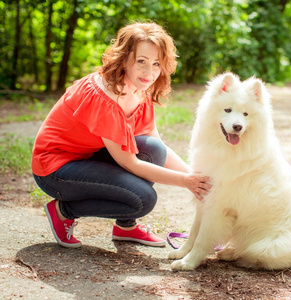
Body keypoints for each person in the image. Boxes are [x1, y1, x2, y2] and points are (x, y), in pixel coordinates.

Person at [31, 21, 211, 249]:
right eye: (141, 62)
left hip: (88, 156)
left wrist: (196, 177)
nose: (149, 72)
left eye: (156, 63)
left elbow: (156, 143)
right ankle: (63, 211)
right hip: (56, 169)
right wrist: (187, 182)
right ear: (125, 58)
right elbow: (129, 163)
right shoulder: (107, 97)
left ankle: (125, 227)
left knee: (153, 149)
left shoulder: (139, 89)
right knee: (142, 200)